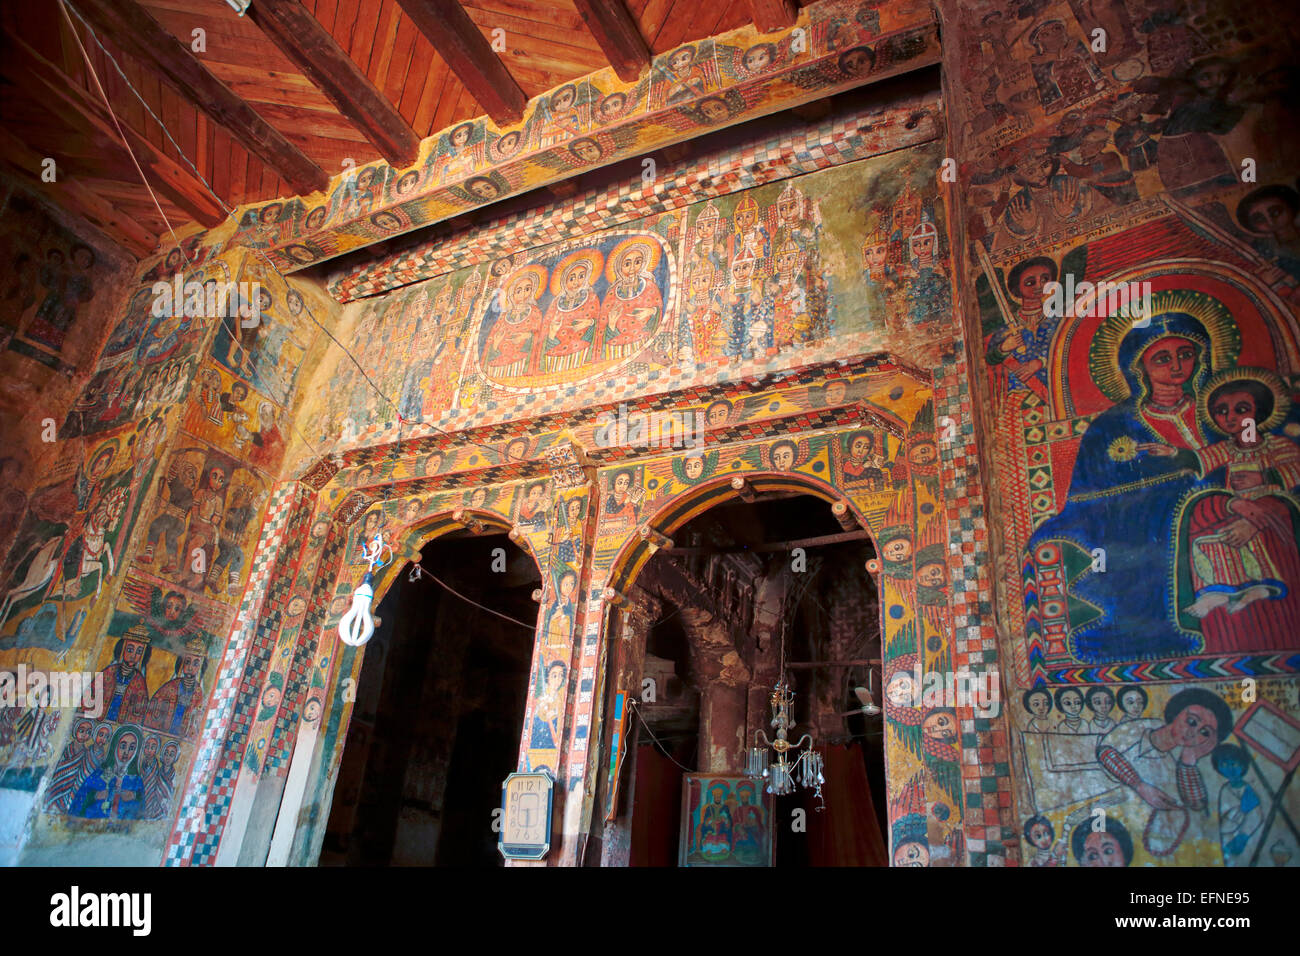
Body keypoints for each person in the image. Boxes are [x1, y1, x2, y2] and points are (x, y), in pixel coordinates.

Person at [1096, 688, 1232, 859]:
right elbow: (1106, 753)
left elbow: (1196, 804)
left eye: (1205, 733)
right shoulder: (1141, 727)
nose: (1193, 733)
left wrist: (1188, 762)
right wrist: (1140, 786)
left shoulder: (1176, 765)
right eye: (1191, 721)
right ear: (1176, 714)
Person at [69, 725, 145, 820]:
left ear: (136, 751)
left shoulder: (136, 781)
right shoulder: (101, 774)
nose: (126, 752)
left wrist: (134, 796)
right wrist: (95, 795)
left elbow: (142, 809)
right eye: (123, 746)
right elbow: (79, 800)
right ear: (115, 745)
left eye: (131, 748)